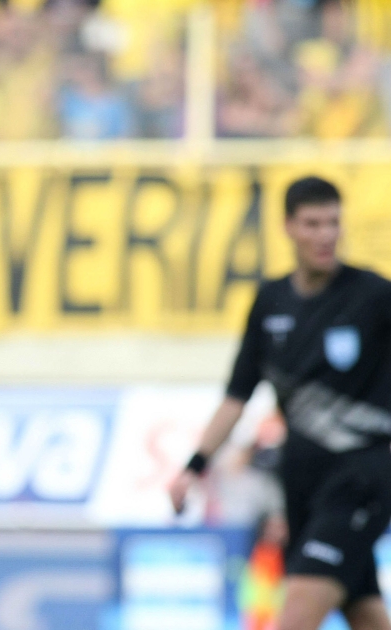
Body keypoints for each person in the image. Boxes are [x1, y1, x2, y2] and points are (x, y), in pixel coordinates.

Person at [170, 176, 391, 630]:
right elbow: (237, 396)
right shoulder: (270, 301)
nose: (325, 235)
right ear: (288, 227)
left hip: (361, 480)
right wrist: (194, 466)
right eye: (313, 224)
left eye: (333, 223)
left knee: (296, 615)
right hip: (303, 486)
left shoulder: (373, 296)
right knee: (366, 614)